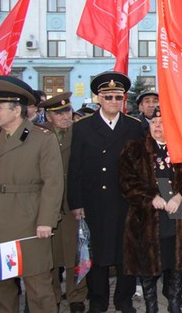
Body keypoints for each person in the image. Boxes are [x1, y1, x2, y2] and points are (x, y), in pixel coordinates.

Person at [68, 71, 143, 313]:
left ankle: (124, 300)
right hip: (95, 201)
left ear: (124, 99)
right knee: (97, 255)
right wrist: (76, 203)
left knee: (126, 255)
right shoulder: (82, 128)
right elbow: (75, 168)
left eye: (117, 97)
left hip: (126, 201)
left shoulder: (134, 127)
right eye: (108, 96)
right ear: (98, 98)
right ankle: (98, 301)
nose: (113, 101)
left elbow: (142, 167)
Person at [120, 106, 182, 313]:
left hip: (178, 217)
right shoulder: (134, 148)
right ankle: (151, 305)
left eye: (163, 122)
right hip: (147, 218)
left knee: (176, 260)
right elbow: (126, 182)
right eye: (154, 122)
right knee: (148, 263)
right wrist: (150, 198)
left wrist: (181, 196)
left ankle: (174, 302)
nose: (157, 126)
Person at [0, 76, 63, 313]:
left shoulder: (41, 138)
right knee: (0, 286)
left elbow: (53, 183)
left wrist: (46, 221)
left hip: (30, 223)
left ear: (17, 110)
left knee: (38, 286)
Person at [38, 92, 88, 313]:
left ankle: (76, 296)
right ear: (49, 116)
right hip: (47, 203)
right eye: (59, 113)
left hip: (72, 200)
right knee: (49, 254)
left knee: (75, 251)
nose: (65, 116)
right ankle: (53, 296)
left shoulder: (79, 133)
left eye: (67, 111)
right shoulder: (39, 135)